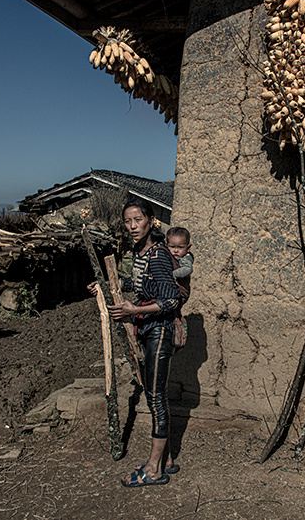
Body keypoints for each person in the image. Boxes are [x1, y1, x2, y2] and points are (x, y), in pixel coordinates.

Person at [87, 198, 181, 487]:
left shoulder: (159, 255)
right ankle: (166, 459)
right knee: (155, 395)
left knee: (155, 397)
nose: (132, 226)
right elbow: (139, 283)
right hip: (149, 329)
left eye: (138, 220)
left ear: (151, 221)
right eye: (127, 221)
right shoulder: (140, 252)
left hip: (160, 331)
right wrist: (106, 286)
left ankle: (153, 469)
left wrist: (134, 309)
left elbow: (170, 300)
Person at [166, 226, 194, 348]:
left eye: (180, 247)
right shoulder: (169, 257)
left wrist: (171, 275)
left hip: (182, 293)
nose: (176, 251)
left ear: (188, 248)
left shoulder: (186, 258)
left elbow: (187, 270)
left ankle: (179, 331)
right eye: (172, 247)